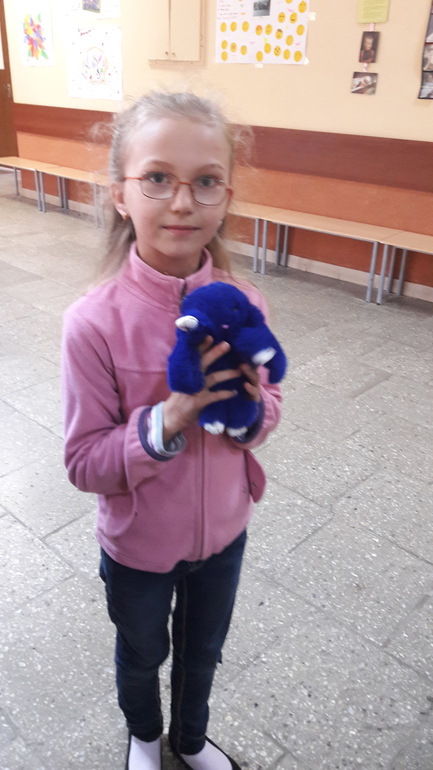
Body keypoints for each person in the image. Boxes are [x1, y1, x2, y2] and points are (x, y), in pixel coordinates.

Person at [61, 90, 283, 770]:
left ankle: (189, 740)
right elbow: (84, 461)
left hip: (224, 532)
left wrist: (251, 414)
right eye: (157, 177)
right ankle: (144, 737)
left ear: (226, 196)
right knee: (142, 651)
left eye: (206, 181)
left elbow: (270, 402)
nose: (183, 202)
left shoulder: (246, 303)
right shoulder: (93, 323)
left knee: (202, 651)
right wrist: (169, 419)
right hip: (137, 544)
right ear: (121, 195)